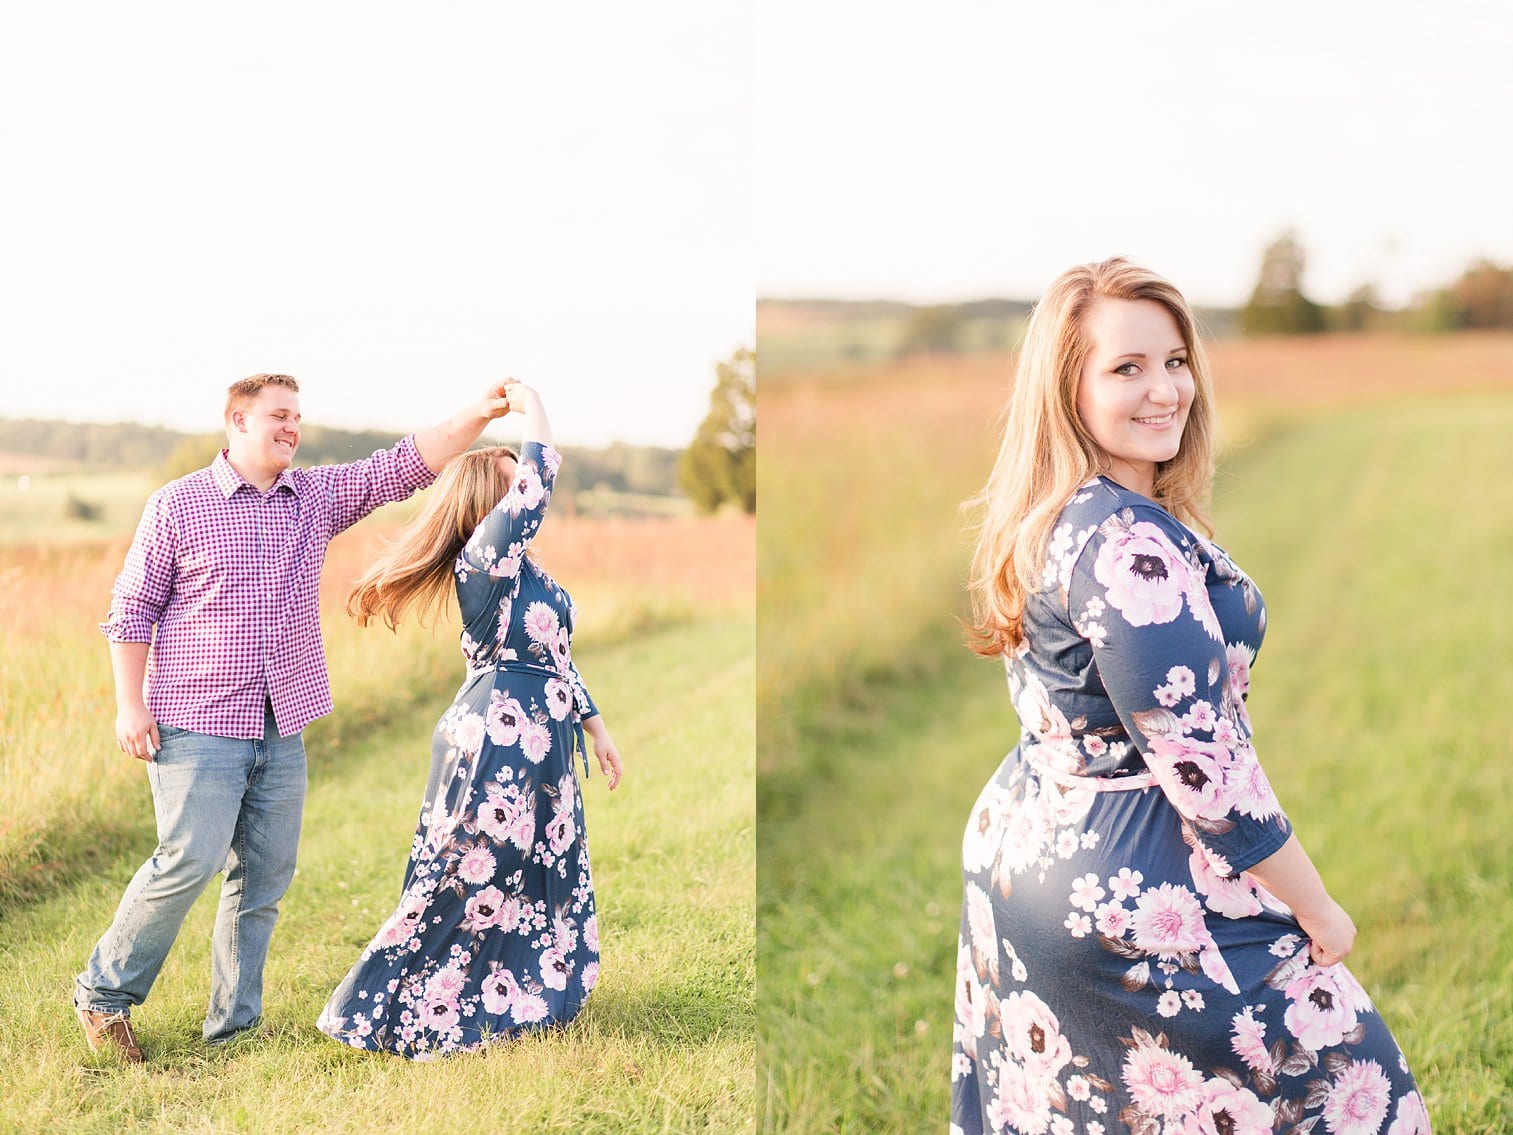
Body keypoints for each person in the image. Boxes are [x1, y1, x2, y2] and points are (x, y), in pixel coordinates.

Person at [952, 260, 1430, 1133]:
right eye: (1125, 368)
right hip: (1128, 885)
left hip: (1028, 849)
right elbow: (1212, 781)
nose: (1164, 389)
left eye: (1174, 360)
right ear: (1067, 390)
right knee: (1362, 1098)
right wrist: (1315, 906)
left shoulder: (1054, 515)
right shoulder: (1123, 547)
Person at [76, 372, 520, 1063]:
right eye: (278, 415)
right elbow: (131, 610)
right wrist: (128, 703)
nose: (292, 427)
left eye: (298, 417)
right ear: (237, 420)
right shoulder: (178, 505)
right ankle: (104, 995)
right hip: (196, 720)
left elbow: (400, 465)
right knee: (187, 860)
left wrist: (481, 412)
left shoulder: (310, 498)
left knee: (263, 878)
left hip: (283, 722)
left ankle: (233, 1024)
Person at [316, 380, 622, 1060]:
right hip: (494, 738)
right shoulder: (481, 563)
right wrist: (534, 403)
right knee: (470, 872)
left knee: (540, 867)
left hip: (544, 736)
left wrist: (596, 728)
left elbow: (556, 657)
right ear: (486, 501)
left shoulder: (529, 574)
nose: (522, 497)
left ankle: (524, 995)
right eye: (509, 486)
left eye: (518, 484)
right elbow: (539, 475)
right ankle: (378, 1004)